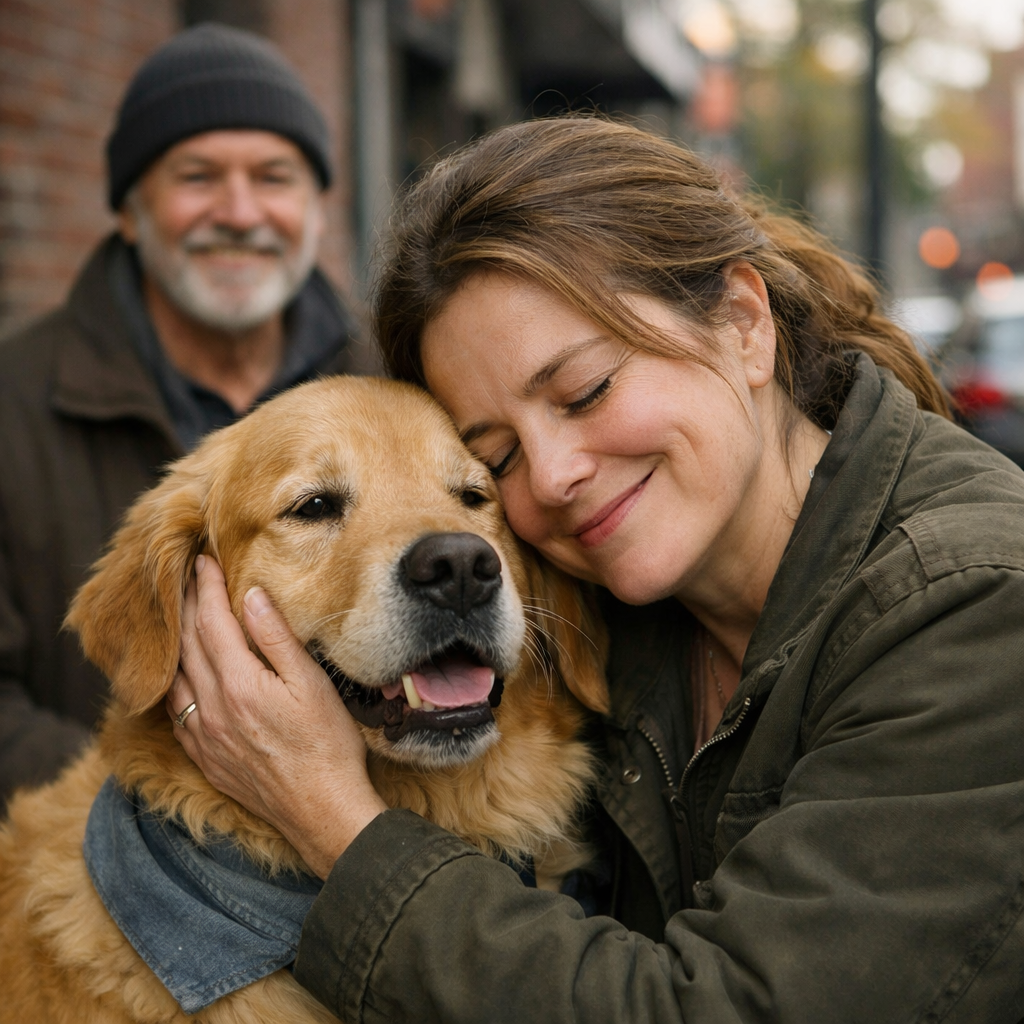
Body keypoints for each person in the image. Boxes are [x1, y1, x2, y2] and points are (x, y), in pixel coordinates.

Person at [167, 118, 1024, 1022]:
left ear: (743, 323)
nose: (555, 475)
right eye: (492, 461)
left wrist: (334, 820)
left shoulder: (976, 607)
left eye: (586, 392)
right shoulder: (597, 594)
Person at [0, 23, 361, 808]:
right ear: (131, 212)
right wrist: (170, 809)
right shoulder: (12, 400)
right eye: (197, 177)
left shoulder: (392, 384)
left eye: (274, 177)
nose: (239, 212)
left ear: (315, 209)